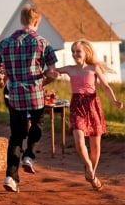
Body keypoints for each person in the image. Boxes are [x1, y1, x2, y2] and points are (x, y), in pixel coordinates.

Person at [0, 5, 57, 193]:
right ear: (36, 22)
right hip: (35, 94)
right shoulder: (43, 42)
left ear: (21, 20)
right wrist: (45, 80)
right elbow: (52, 72)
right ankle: (30, 155)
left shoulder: (5, 42)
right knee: (38, 125)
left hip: (15, 95)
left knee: (16, 137)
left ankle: (11, 176)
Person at [44, 39, 123, 191]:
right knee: (79, 141)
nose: (75, 54)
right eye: (73, 52)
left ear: (86, 52)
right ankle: (90, 170)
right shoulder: (70, 69)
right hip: (77, 105)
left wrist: (114, 100)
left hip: (92, 105)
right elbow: (53, 73)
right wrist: (43, 71)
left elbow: (105, 86)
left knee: (95, 146)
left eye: (78, 51)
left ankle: (91, 171)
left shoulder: (94, 68)